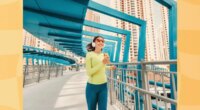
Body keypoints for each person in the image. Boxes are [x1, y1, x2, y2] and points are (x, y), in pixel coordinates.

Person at [85, 36, 116, 110]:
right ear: (94, 43)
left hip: (103, 86)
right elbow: (89, 72)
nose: (101, 42)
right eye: (98, 40)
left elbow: (102, 67)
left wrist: (110, 67)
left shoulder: (104, 55)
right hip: (92, 87)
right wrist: (102, 63)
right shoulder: (89, 54)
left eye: (102, 41)